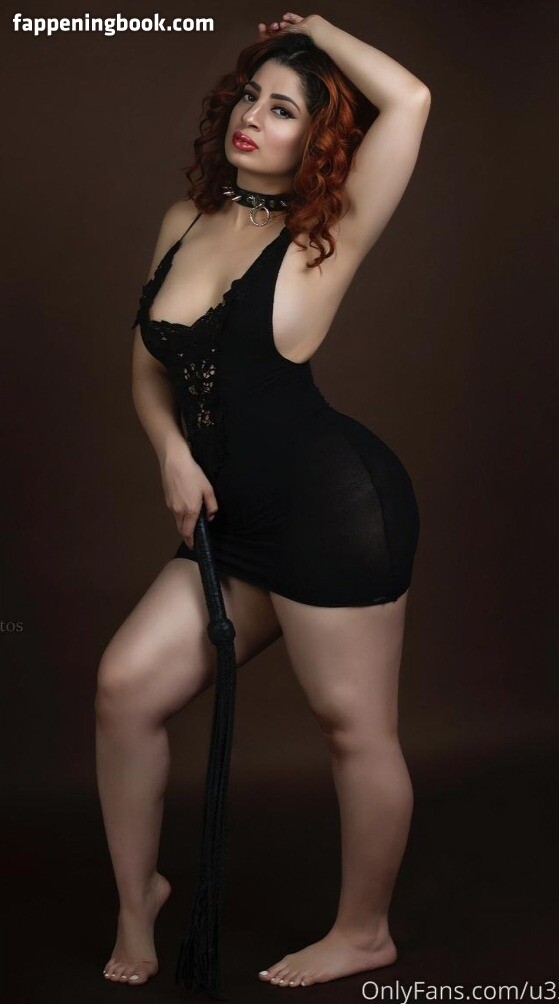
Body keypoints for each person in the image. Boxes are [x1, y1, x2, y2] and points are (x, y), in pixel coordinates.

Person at [96, 10, 431, 995]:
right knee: (124, 689)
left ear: (317, 136)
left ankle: (363, 932)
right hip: (230, 520)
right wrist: (170, 454)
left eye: (284, 108)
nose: (253, 116)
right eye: (250, 95)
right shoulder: (184, 220)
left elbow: (411, 98)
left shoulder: (326, 235)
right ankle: (137, 898)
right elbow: (148, 369)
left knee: (351, 726)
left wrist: (316, 26)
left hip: (332, 512)